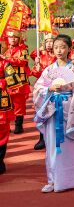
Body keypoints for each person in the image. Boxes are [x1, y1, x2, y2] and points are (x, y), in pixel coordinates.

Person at [33, 34, 74, 193]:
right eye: (56, 47)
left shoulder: (73, 69)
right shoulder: (49, 70)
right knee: (53, 148)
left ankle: (73, 179)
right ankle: (53, 180)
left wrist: (71, 109)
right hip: (52, 112)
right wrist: (49, 89)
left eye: (62, 47)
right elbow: (38, 89)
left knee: (71, 147)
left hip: (69, 114)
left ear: (69, 48)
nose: (59, 50)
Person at [31, 33, 57, 150]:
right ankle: (42, 138)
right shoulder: (40, 57)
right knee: (42, 113)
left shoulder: (58, 56)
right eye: (47, 42)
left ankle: (55, 138)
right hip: (43, 89)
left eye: (51, 41)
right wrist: (36, 67)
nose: (49, 44)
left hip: (55, 88)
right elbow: (36, 74)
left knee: (55, 113)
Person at [2, 29, 30, 135]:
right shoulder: (4, 50)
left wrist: (8, 59)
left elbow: (24, 61)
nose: (13, 39)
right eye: (10, 37)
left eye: (15, 37)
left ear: (19, 39)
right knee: (6, 103)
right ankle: (7, 125)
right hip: (7, 81)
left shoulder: (23, 50)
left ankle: (19, 125)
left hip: (20, 80)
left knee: (19, 103)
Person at [0, 46, 14, 174]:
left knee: (2, 132)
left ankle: (0, 161)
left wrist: (2, 82)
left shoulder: (5, 63)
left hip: (2, 102)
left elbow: (13, 81)